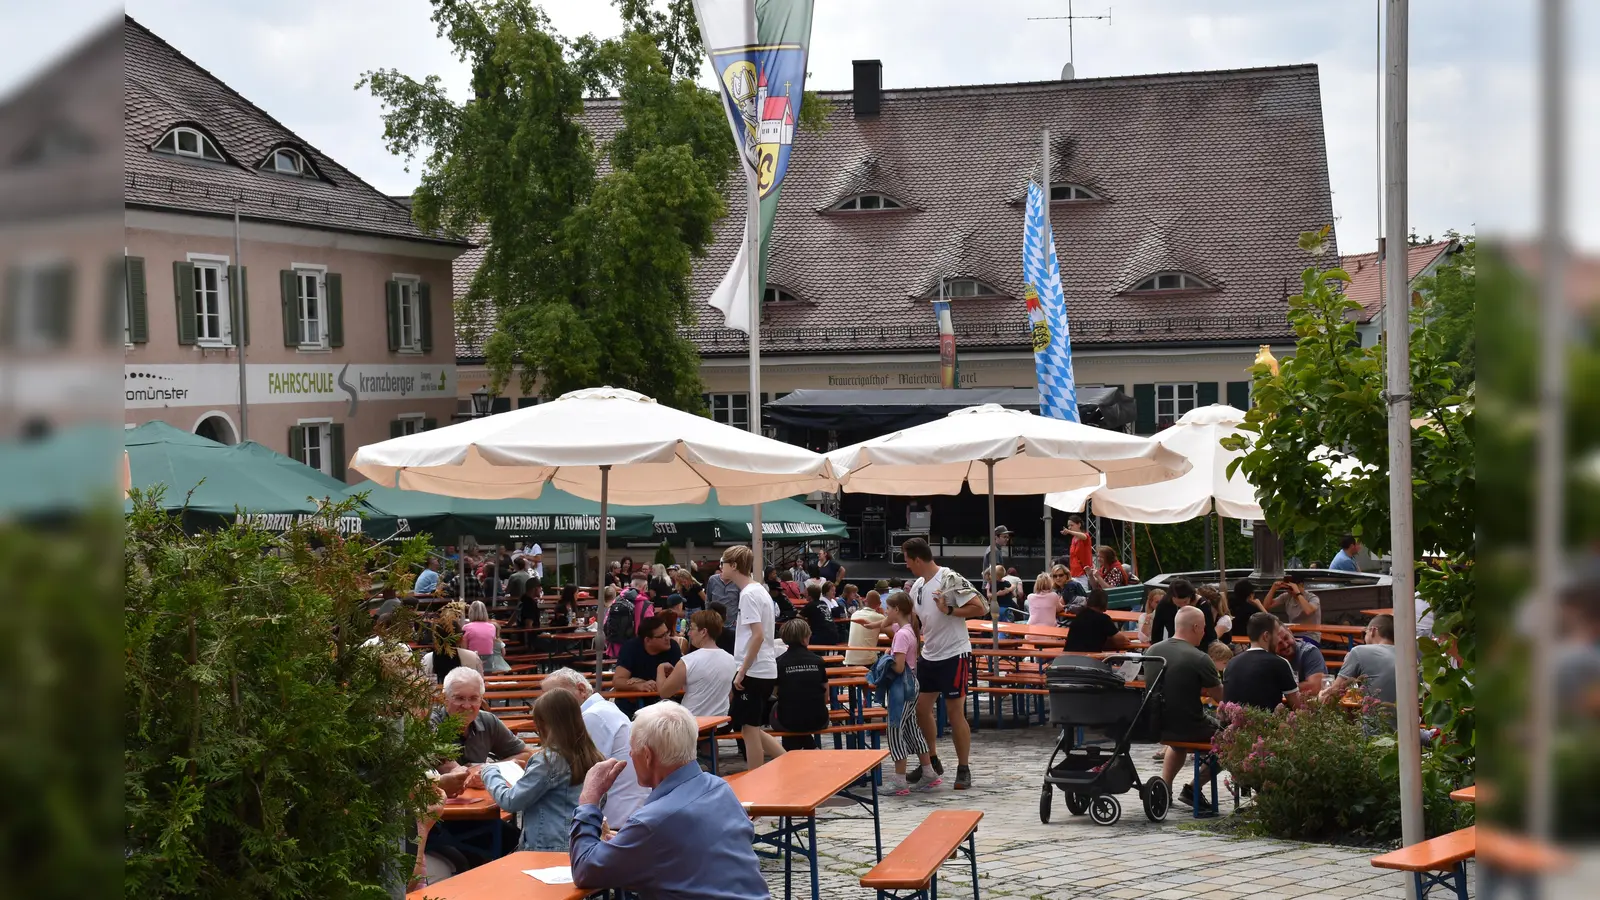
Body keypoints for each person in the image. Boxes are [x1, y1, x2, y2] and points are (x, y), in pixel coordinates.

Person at [569, 702, 768, 900]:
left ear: (647, 755)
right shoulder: (720, 788)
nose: (630, 755)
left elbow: (585, 871)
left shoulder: (652, 821)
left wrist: (588, 801)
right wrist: (633, 846)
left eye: (632, 749)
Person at [904, 536, 985, 790]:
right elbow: (916, 620)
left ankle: (963, 767)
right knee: (921, 708)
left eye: (907, 560)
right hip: (930, 654)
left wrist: (950, 610)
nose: (906, 565)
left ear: (917, 559)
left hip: (954, 653)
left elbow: (980, 607)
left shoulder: (949, 578)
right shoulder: (917, 585)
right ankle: (932, 761)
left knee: (954, 712)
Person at [478, 689, 601, 851]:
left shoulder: (549, 760)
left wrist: (489, 771)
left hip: (548, 847)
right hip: (582, 842)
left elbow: (510, 801)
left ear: (544, 724)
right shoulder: (593, 755)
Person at [540, 668, 650, 825]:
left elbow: (577, 773)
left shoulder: (592, 716)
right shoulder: (601, 709)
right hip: (624, 810)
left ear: (581, 689)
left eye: (558, 695)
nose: (551, 703)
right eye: (547, 697)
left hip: (613, 819)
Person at [1144, 606, 1223, 806]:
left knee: (1177, 744)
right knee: (1234, 740)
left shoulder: (1152, 650)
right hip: (1190, 727)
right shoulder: (1199, 657)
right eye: (1204, 627)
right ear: (1196, 627)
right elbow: (1223, 698)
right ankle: (1193, 788)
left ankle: (1165, 789)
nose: (1205, 632)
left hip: (1158, 725)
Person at [723, 545, 786, 769]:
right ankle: (788, 764)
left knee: (748, 729)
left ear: (733, 566)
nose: (720, 567)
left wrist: (741, 671)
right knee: (752, 728)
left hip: (754, 669)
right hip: (764, 668)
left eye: (723, 562)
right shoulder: (759, 591)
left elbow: (757, 636)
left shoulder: (749, 594)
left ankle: (756, 783)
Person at [879, 590, 940, 794]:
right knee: (912, 729)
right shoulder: (907, 630)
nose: (886, 611)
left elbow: (898, 666)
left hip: (901, 686)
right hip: (912, 684)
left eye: (888, 608)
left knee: (895, 729)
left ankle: (899, 779)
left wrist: (884, 660)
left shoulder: (901, 635)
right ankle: (928, 772)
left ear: (896, 609)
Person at [432, 667, 531, 770]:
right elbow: (451, 770)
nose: (466, 705)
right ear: (444, 699)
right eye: (459, 698)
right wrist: (487, 770)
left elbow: (526, 755)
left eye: (473, 698)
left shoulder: (488, 721)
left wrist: (489, 768)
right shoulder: (431, 724)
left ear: (481, 700)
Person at [656, 609, 738, 718]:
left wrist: (660, 668)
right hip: (720, 724)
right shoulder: (732, 660)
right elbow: (730, 695)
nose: (689, 633)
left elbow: (664, 693)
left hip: (693, 724)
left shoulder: (688, 661)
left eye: (692, 628)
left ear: (703, 632)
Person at [1223, 612, 1302, 712]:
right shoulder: (1279, 663)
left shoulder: (1230, 664)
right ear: (1266, 636)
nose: (1278, 639)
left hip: (1232, 726)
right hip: (1266, 726)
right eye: (1277, 634)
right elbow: (1298, 706)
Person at [773, 618, 831, 750]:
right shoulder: (818, 660)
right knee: (802, 712)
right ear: (806, 637)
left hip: (788, 720)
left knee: (785, 711)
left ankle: (792, 753)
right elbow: (826, 696)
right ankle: (809, 747)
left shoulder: (779, 662)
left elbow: (775, 693)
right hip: (819, 719)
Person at [1320, 613, 1398, 705]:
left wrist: (1320, 696)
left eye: (1365, 633)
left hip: (1376, 718)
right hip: (1411, 718)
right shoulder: (1413, 653)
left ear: (1373, 631)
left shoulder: (1359, 652)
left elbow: (1330, 698)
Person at [611, 615, 682, 715]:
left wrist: (644, 681)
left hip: (664, 706)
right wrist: (639, 685)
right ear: (647, 640)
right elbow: (618, 681)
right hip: (633, 707)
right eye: (662, 636)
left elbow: (677, 681)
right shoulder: (631, 648)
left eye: (667, 632)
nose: (668, 638)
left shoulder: (673, 647)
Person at [1063, 588, 1136, 652]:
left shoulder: (1080, 615)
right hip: (1087, 662)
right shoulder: (1103, 619)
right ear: (1105, 604)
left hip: (1068, 658)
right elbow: (1122, 641)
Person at [1150, 578, 1217, 648]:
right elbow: (1156, 631)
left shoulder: (1202, 604)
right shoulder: (1165, 604)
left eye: (1185, 602)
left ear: (1190, 596)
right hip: (1175, 646)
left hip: (1200, 646)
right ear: (1171, 597)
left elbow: (1210, 633)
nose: (1182, 605)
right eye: (1178, 603)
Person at [1263, 573, 1322, 643]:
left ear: (1301, 585)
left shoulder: (1312, 598)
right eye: (1287, 588)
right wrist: (1273, 589)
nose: (1289, 591)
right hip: (1292, 635)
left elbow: (1308, 610)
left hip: (1310, 636)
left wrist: (1298, 593)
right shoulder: (1287, 596)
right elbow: (1266, 606)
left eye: (1291, 588)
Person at [1274, 623, 1329, 697]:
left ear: (1291, 633)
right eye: (1279, 643)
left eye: (1286, 638)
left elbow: (1315, 687)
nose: (1285, 645)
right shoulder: (1270, 657)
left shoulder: (1309, 652)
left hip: (1310, 704)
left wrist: (1280, 689)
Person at [462, 600, 510, 674]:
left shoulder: (466, 627)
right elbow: (491, 645)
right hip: (489, 660)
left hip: (473, 659)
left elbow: (464, 649)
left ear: (470, 613)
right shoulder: (492, 627)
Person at [846, 591, 888, 665]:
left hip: (849, 660)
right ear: (879, 604)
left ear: (865, 601)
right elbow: (891, 634)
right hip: (867, 662)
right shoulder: (879, 617)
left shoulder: (855, 614)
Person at [1059, 515, 1094, 589]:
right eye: (1068, 526)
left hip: (1083, 573)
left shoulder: (1085, 536)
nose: (1070, 527)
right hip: (1074, 573)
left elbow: (1084, 536)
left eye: (1072, 525)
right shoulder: (1074, 539)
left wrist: (1069, 531)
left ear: (1079, 525)